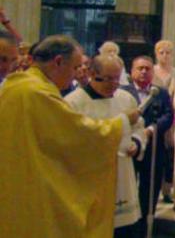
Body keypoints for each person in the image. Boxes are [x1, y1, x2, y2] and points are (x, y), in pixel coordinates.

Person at [0, 35, 140, 238]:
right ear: (57, 62)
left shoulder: (18, 85)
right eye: (74, 68)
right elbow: (79, 136)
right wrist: (122, 122)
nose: (76, 75)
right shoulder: (35, 92)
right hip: (29, 190)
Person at [65, 54, 147, 238]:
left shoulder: (125, 98)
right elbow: (75, 141)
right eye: (108, 79)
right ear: (92, 74)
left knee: (124, 229)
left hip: (124, 175)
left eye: (117, 79)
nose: (113, 85)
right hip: (92, 178)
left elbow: (139, 127)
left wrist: (136, 142)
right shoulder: (73, 103)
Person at [121, 55, 174, 237]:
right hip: (128, 149)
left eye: (147, 69)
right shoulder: (123, 92)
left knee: (149, 189)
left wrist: (152, 129)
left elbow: (168, 115)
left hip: (153, 149)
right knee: (127, 186)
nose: (144, 72)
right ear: (131, 71)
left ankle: (144, 227)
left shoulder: (161, 92)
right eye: (140, 68)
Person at [152, 39, 175, 203]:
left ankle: (167, 189)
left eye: (168, 52)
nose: (165, 55)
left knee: (170, 154)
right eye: (162, 52)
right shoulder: (152, 71)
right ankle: (154, 186)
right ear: (156, 54)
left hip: (172, 117)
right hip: (154, 116)